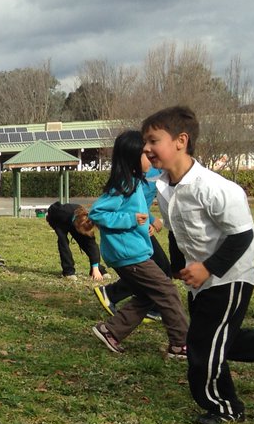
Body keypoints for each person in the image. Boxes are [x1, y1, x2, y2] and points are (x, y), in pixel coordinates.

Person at [141, 105, 254, 424]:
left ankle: (225, 408)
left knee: (201, 347)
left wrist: (208, 268)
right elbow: (176, 231)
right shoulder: (163, 187)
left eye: (153, 140)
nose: (146, 148)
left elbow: (242, 236)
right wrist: (179, 266)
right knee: (219, 340)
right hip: (200, 279)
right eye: (145, 141)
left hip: (230, 276)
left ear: (180, 141)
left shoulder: (215, 188)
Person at [79, 131, 188, 357]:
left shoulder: (135, 183)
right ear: (132, 157)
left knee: (149, 296)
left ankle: (110, 330)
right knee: (166, 290)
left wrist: (149, 220)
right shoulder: (124, 184)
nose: (152, 157)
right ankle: (180, 344)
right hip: (129, 255)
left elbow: (136, 210)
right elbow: (98, 213)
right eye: (146, 154)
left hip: (133, 252)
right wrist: (129, 220)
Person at [93, 164, 169, 318]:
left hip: (140, 225)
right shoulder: (145, 174)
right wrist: (151, 220)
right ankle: (113, 294)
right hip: (135, 228)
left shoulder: (161, 171)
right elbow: (133, 204)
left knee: (158, 272)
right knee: (161, 271)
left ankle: (116, 296)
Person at [45, 201, 104, 279]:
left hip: (75, 221)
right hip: (59, 220)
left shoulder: (87, 219)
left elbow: (92, 245)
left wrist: (95, 267)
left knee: (89, 242)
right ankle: (68, 271)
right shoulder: (62, 211)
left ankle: (97, 270)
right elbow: (53, 208)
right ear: (77, 227)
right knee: (63, 243)